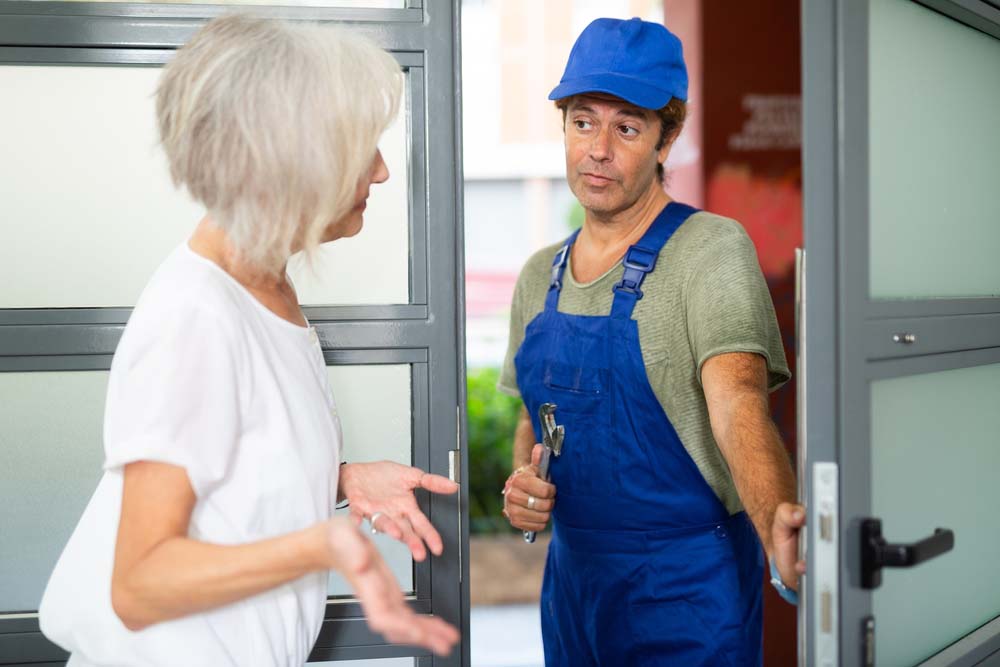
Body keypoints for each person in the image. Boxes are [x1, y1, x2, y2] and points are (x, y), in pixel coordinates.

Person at [38, 14, 459, 666]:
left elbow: (230, 463)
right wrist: (324, 544)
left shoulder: (265, 288)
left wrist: (341, 477)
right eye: (361, 149)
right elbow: (137, 583)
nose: (379, 172)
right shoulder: (194, 317)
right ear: (292, 162)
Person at [499, 17, 806, 666]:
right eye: (583, 121)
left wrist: (778, 517)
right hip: (574, 590)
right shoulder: (538, 277)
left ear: (667, 138)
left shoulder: (709, 250)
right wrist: (526, 481)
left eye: (627, 127)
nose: (598, 149)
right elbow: (536, 418)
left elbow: (737, 402)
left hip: (686, 590)